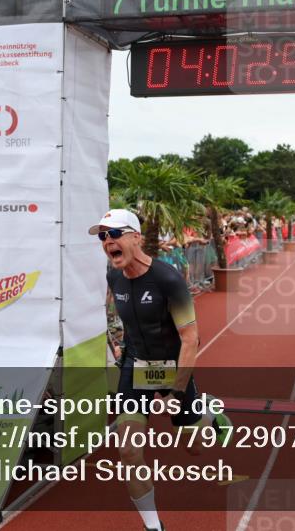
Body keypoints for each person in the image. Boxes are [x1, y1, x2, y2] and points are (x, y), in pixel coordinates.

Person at [90, 209, 229, 531]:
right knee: (127, 450)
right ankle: (154, 526)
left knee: (194, 446)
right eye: (102, 236)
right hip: (135, 366)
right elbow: (125, 317)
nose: (107, 241)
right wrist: (117, 344)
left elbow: (191, 339)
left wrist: (175, 391)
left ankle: (209, 415)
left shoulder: (168, 279)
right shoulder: (113, 276)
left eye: (114, 234)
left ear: (136, 237)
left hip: (172, 365)